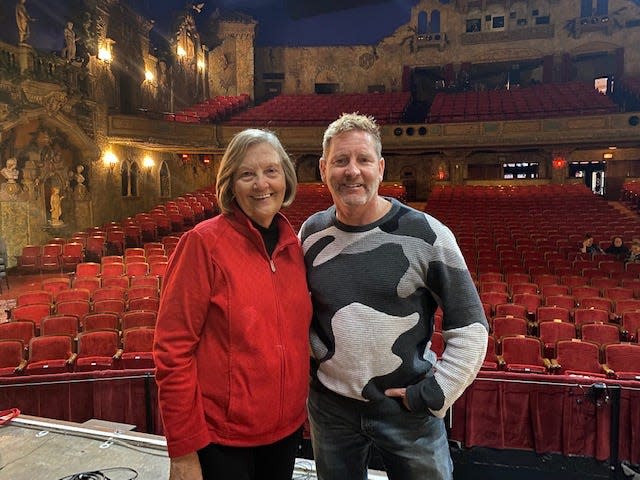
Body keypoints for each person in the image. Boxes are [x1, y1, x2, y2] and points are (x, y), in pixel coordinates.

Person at [299, 113, 488, 480]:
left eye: (363, 160)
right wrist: (316, 363)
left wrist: (434, 394)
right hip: (331, 410)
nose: (352, 171)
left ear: (381, 168)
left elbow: (471, 327)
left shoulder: (429, 234)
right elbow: (298, 309)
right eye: (340, 161)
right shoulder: (311, 232)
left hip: (407, 413)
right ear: (324, 169)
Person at [153, 128, 312, 480]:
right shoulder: (202, 244)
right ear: (230, 185)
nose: (261, 184)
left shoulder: (293, 248)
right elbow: (172, 352)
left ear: (286, 176)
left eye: (271, 171)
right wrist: (183, 451)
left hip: (285, 433)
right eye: (247, 174)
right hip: (223, 441)